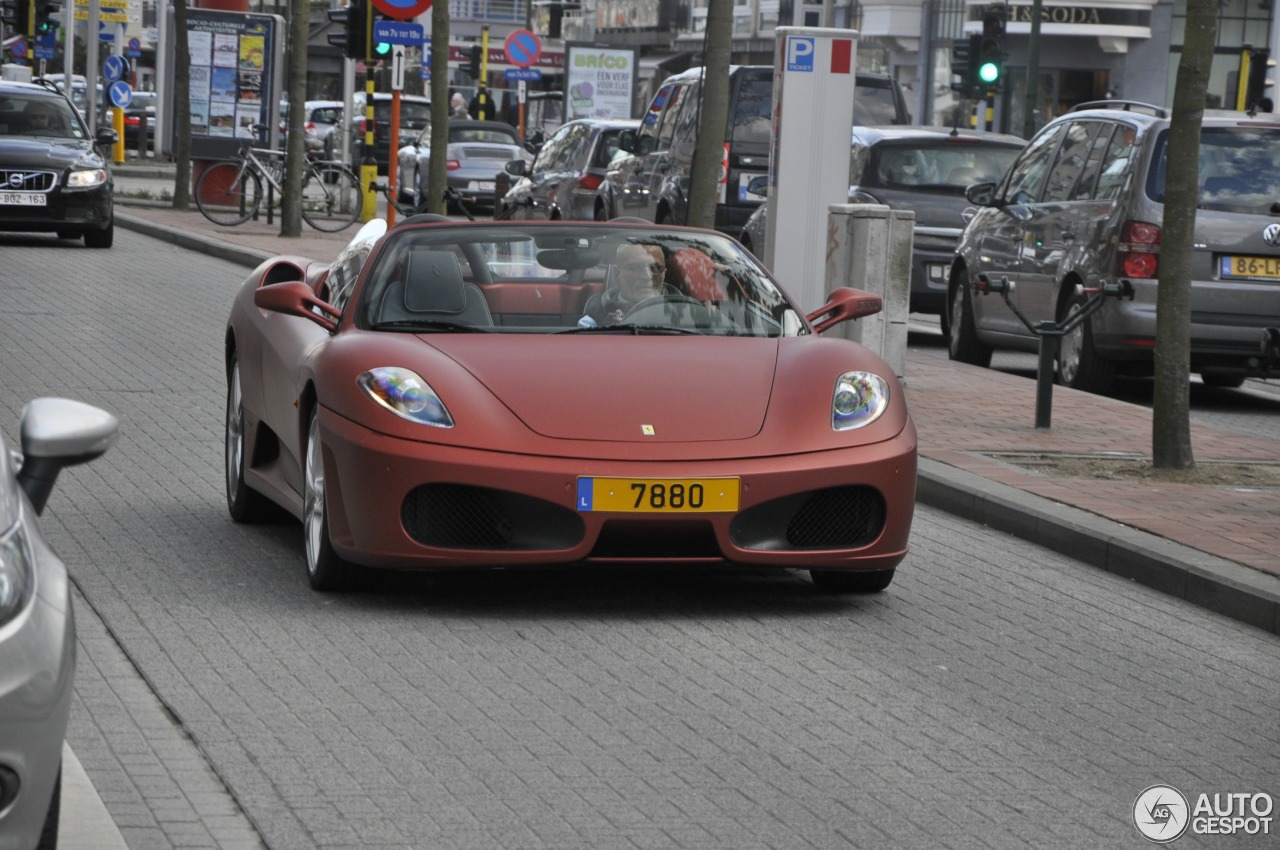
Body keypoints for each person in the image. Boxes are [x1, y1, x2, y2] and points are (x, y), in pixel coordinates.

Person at [579, 243, 676, 327]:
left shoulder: (684, 311)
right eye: (635, 267)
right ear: (617, 273)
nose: (647, 276)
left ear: (664, 274)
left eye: (654, 267)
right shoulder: (596, 314)